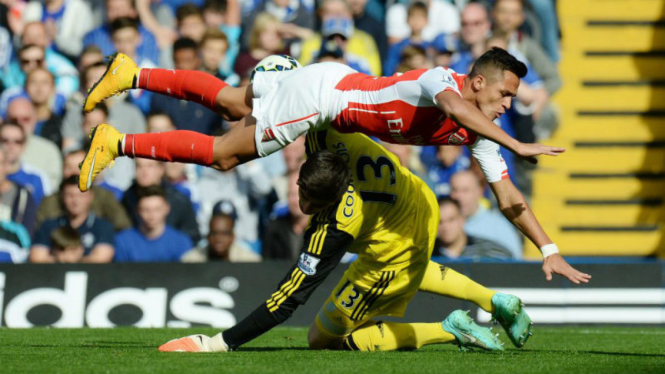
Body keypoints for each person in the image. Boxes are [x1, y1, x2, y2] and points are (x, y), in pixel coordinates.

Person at [158, 129, 576, 353]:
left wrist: (218, 342)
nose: (299, 201)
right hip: (419, 201)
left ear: (331, 198)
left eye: (307, 199)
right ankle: (492, 299)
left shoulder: (339, 224)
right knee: (406, 266)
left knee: (323, 338)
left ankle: (449, 330)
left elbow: (288, 298)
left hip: (395, 238)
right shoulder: (328, 134)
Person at [80, 48, 561, 198]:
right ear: (478, 82)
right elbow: (454, 110)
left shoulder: (476, 129)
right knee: (225, 154)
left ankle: (133, 72)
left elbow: (509, 197)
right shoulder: (442, 81)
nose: (508, 103)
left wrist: (548, 249)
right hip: (322, 101)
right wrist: (518, 145)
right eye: (505, 93)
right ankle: (117, 143)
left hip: (332, 82)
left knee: (229, 101)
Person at [30, 176, 115, 263]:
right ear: (62, 196)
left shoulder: (102, 226)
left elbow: (103, 258)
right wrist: (60, 258)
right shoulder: (49, 226)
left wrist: (73, 260)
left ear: (91, 196)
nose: (75, 201)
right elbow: (36, 257)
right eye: (70, 195)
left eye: (81, 195)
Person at [114, 185, 193, 262]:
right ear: (137, 211)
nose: (151, 215)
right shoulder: (122, 241)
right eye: (146, 210)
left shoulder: (181, 242)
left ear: (167, 209)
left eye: (157, 209)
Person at [181, 200, 261, 262]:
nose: (219, 239)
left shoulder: (250, 261)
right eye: (214, 233)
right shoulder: (191, 261)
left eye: (225, 234)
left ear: (232, 236)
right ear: (208, 236)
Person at [435, 197, 513, 260]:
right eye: (440, 222)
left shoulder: (490, 251)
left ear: (462, 219)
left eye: (451, 220)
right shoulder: (427, 254)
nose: (445, 226)